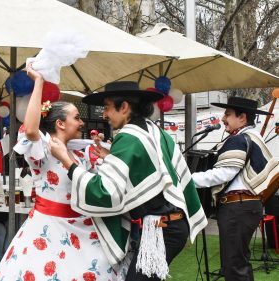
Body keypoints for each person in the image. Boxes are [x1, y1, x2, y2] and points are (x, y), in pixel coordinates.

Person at [49, 81, 208, 281]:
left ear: (124, 107)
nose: (104, 115)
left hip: (161, 230)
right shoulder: (153, 130)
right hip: (171, 224)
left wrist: (66, 160)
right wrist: (110, 157)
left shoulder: (127, 137)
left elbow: (105, 192)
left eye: (106, 108)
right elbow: (150, 169)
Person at [0, 65, 115, 281]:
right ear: (60, 123)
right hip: (49, 228)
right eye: (76, 117)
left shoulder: (79, 152)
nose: (81, 122)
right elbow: (30, 130)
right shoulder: (43, 148)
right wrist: (39, 81)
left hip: (83, 226)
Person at [192, 97, 279, 281]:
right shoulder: (253, 138)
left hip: (238, 208)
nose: (224, 118)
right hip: (246, 207)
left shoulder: (240, 139)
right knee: (238, 262)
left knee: (234, 266)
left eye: (228, 114)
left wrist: (187, 180)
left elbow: (222, 175)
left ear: (242, 117)